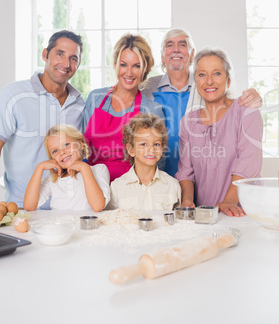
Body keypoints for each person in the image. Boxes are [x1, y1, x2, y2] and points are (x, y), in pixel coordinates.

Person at [142, 28, 262, 177]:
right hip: (160, 173)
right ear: (162, 55)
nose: (176, 50)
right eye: (169, 45)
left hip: (203, 175)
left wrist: (253, 97)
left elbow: (229, 108)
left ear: (192, 54)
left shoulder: (208, 85)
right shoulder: (147, 88)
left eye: (183, 44)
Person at [0, 30, 85, 207]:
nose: (66, 63)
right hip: (21, 208)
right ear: (45, 54)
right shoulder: (13, 95)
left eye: (73, 58)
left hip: (67, 209)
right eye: (59, 54)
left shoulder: (79, 104)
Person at [175, 48, 263, 217]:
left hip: (241, 211)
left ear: (228, 80)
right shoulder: (188, 122)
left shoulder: (246, 111)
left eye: (216, 73)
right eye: (202, 75)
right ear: (196, 82)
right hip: (205, 214)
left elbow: (248, 162)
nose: (209, 81)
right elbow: (185, 171)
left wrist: (229, 201)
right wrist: (187, 200)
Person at [84, 33, 164, 183]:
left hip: (130, 188)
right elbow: (80, 147)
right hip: (91, 186)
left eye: (136, 66)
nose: (129, 72)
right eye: (123, 64)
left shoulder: (151, 109)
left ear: (145, 69)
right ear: (115, 64)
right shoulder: (95, 98)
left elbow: (157, 160)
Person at [24, 125, 110, 211]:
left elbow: (98, 206)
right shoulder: (53, 179)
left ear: (81, 144)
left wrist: (84, 168)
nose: (61, 152)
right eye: (55, 151)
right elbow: (29, 206)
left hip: (84, 224)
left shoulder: (99, 169)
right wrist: (39, 168)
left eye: (66, 145)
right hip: (59, 224)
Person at [108, 113, 181, 210]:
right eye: (143, 144)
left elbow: (179, 223)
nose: (151, 149)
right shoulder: (117, 187)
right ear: (131, 150)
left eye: (156, 144)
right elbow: (110, 221)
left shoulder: (173, 185)